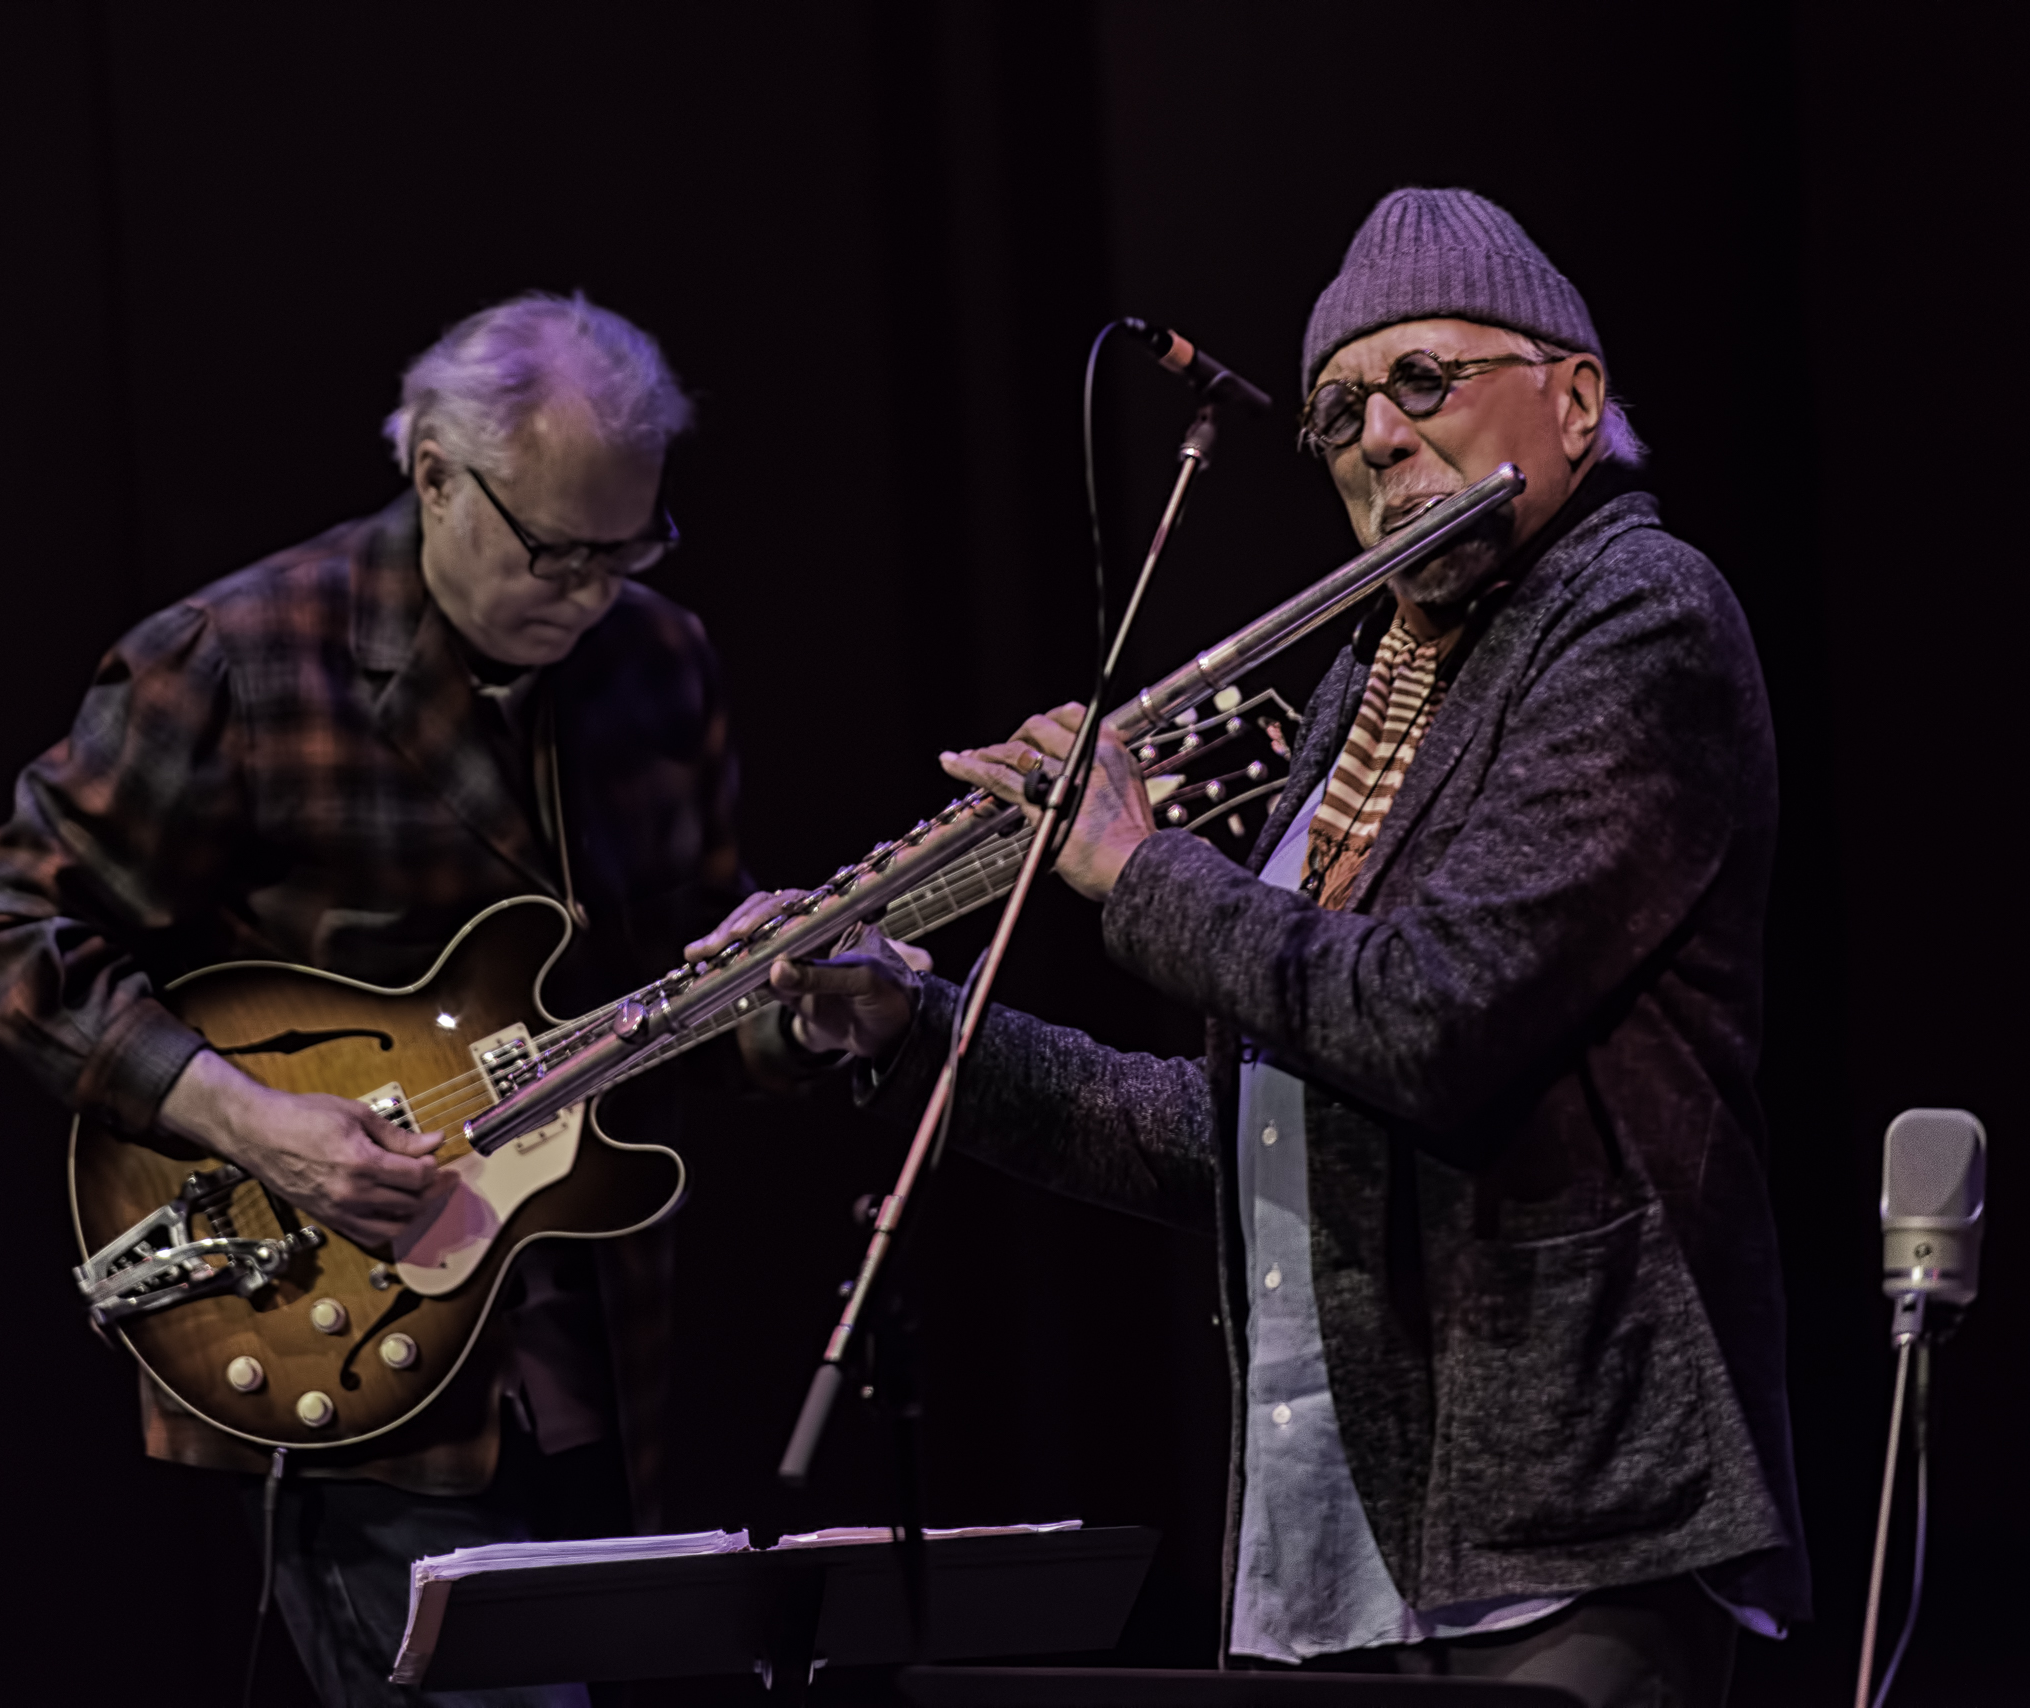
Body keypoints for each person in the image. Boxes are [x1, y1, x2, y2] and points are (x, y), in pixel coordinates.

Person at [692, 189, 1808, 1707]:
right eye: (1340, 410)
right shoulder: (1371, 673)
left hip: (1569, 1522)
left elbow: (1432, 1014)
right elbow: (1229, 1140)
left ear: (1576, 395)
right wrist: (918, 1024)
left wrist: (1134, 866)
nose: (1378, 438)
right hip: (1337, 1526)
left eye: (1425, 381)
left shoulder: (1638, 616)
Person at [0, 292, 807, 1707]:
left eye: (628, 548)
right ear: (433, 479)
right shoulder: (237, 657)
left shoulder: (660, 663)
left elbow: (681, 997)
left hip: (606, 1348)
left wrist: (805, 1018)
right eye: (555, 552)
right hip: (346, 1351)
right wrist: (251, 1120)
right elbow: (4, 935)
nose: (593, 594)